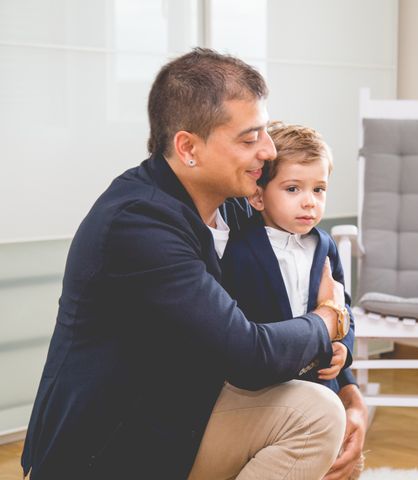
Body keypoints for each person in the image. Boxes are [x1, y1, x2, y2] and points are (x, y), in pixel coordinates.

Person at [21, 48, 366, 480]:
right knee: (312, 412)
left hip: (183, 411)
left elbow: (323, 284)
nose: (269, 151)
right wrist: (326, 322)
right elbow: (251, 353)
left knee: (320, 409)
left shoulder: (239, 207)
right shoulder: (138, 224)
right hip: (111, 447)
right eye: (249, 137)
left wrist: (350, 389)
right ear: (188, 148)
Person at [220, 122, 356, 395]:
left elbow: (344, 305)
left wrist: (344, 347)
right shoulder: (240, 249)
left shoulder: (324, 245)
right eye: (293, 189)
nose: (310, 201)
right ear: (258, 197)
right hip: (266, 385)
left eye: (318, 189)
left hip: (320, 379)